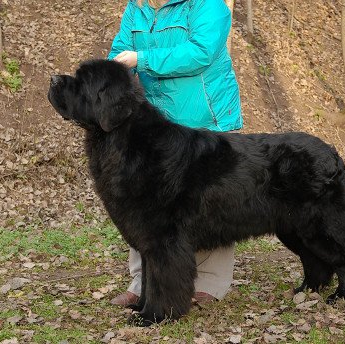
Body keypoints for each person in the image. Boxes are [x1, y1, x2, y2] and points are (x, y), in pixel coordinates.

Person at [107, 0, 243, 306]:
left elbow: (200, 52)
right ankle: (144, 283)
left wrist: (141, 59)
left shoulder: (209, 6)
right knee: (144, 206)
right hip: (157, 123)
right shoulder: (137, 8)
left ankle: (210, 282)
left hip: (205, 118)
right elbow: (119, 50)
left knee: (210, 206)